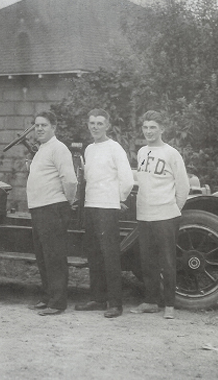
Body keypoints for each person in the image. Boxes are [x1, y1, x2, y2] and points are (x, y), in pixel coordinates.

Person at [130, 110, 189, 319]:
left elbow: (183, 187)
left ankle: (170, 305)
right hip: (144, 215)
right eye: (145, 127)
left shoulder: (171, 153)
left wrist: (172, 209)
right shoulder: (141, 152)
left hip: (165, 216)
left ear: (162, 129)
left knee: (167, 261)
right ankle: (151, 302)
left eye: (153, 127)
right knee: (147, 262)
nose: (148, 132)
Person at [75, 108, 133, 318]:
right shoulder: (89, 149)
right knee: (94, 255)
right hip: (91, 206)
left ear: (107, 125)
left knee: (110, 256)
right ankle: (98, 299)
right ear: (88, 125)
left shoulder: (115, 148)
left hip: (107, 209)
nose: (96, 127)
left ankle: (115, 304)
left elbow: (127, 179)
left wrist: (118, 199)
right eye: (92, 123)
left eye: (100, 123)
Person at [26, 112, 78, 316]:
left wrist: (68, 201)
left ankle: (57, 303)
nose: (39, 128)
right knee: (43, 257)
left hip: (53, 208)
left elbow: (70, 180)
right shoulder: (43, 149)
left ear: (54, 127)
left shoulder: (59, 148)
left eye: (44, 125)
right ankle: (48, 297)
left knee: (54, 257)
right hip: (40, 209)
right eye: (36, 125)